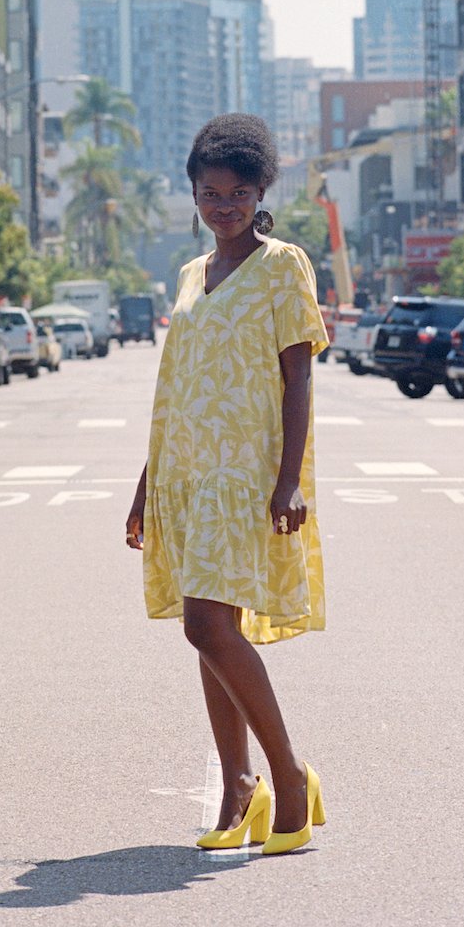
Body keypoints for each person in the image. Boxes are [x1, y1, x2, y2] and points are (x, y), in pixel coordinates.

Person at [125, 113, 330, 855]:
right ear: (194, 195)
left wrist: (289, 481)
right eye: (211, 192)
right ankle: (237, 787)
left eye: (239, 192)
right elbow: (176, 386)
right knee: (213, 630)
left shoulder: (284, 265)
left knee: (206, 625)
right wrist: (147, 487)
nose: (224, 205)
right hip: (184, 475)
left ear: (261, 190)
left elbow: (297, 375)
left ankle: (289, 777)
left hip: (246, 477)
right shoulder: (190, 275)